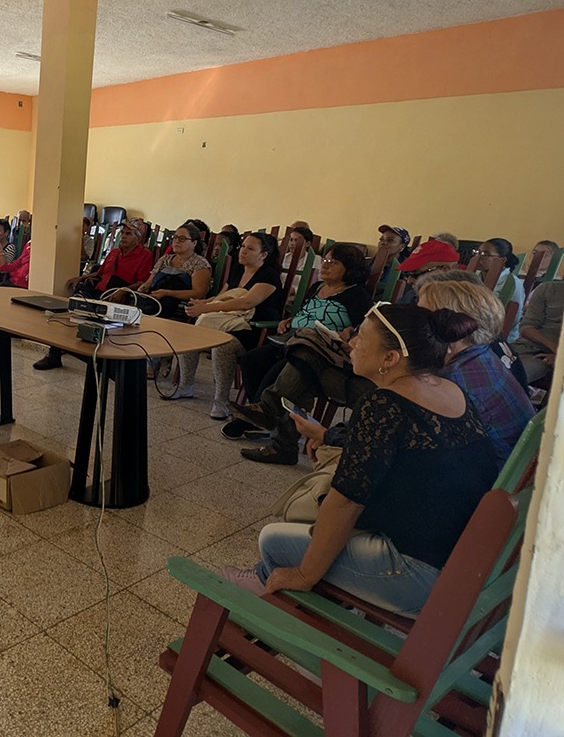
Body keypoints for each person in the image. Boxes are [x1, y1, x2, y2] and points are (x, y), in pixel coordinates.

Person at [219, 304, 497, 617]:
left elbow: (346, 503)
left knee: (273, 540)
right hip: (459, 565)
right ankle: (267, 583)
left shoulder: (384, 404)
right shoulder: (452, 390)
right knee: (316, 527)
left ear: (390, 359)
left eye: (362, 339)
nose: (351, 344)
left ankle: (274, 610)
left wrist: (304, 574)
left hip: (418, 577)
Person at [222, 243, 371, 438]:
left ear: (350, 268)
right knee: (253, 360)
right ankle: (262, 417)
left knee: (285, 366)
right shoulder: (317, 287)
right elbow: (303, 313)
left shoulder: (357, 295)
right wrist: (288, 321)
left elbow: (360, 332)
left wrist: (348, 334)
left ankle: (252, 418)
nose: (325, 265)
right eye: (324, 260)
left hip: (319, 352)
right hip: (290, 339)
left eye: (332, 262)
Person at [418, 280, 534, 462]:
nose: (416, 323)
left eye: (422, 316)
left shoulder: (454, 380)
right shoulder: (480, 354)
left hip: (496, 477)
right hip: (516, 465)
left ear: (452, 325)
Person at [172, 231, 284, 419]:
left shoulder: (269, 275)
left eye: (250, 248)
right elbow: (222, 296)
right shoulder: (239, 269)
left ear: (263, 255)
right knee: (189, 334)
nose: (243, 251)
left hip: (252, 328)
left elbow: (246, 303)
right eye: (243, 246)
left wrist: (207, 309)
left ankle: (221, 401)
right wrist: (204, 304)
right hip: (226, 320)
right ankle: (185, 385)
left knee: (223, 345)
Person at [33, 222, 154, 370]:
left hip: (117, 296)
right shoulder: (114, 252)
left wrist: (123, 290)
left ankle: (96, 356)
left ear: (138, 238)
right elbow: (100, 273)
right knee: (69, 309)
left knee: (92, 313)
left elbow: (142, 282)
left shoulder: (145, 255)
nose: (123, 236)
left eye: (128, 234)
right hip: (98, 290)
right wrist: (81, 277)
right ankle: (54, 354)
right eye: (122, 233)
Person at [134, 221, 212, 318]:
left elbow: (198, 293)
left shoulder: (200, 264)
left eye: (182, 239)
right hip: (156, 296)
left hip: (176, 306)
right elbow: (149, 282)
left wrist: (167, 293)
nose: (176, 241)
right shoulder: (165, 259)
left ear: (194, 243)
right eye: (175, 238)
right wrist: (144, 287)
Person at [510, 278, 563, 385]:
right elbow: (526, 327)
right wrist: (553, 346)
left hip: (545, 358)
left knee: (512, 374)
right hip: (523, 346)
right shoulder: (547, 289)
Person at [475, 237, 525, 341]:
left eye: (485, 254)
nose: (479, 257)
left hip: (499, 336)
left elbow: (513, 319)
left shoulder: (512, 283)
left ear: (502, 260)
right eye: (477, 252)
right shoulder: (474, 276)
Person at [393, 238, 459, 302]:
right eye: (407, 274)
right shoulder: (410, 296)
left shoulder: (458, 306)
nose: (409, 281)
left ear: (444, 270)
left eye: (416, 274)